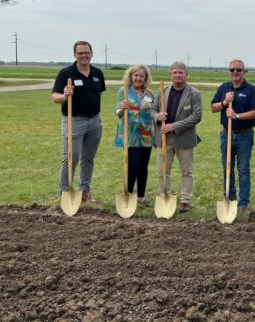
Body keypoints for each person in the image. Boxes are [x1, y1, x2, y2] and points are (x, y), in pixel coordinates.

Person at [52, 41, 106, 203]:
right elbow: (55, 97)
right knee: (71, 156)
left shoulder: (97, 73)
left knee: (88, 158)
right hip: (73, 120)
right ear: (75, 54)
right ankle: (65, 191)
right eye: (80, 53)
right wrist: (65, 95)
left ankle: (84, 191)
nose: (84, 56)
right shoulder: (66, 73)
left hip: (95, 121)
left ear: (92, 53)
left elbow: (98, 94)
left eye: (86, 53)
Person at [211, 59, 255, 216]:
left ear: (244, 72)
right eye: (232, 69)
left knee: (243, 169)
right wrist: (225, 102)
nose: (235, 72)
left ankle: (243, 204)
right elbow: (213, 107)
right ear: (229, 71)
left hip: (244, 135)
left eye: (239, 70)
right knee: (227, 167)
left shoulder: (251, 90)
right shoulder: (224, 88)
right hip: (226, 134)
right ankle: (229, 198)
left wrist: (237, 115)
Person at [151, 61, 203, 213]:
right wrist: (157, 117)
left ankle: (185, 200)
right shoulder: (162, 90)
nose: (178, 75)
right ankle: (164, 196)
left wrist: (175, 126)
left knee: (186, 171)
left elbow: (197, 116)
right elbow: (153, 110)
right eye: (175, 72)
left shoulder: (194, 93)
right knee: (163, 170)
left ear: (187, 74)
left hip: (184, 138)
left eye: (181, 72)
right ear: (170, 74)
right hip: (164, 137)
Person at [114, 65, 155, 207]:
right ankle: (129, 195)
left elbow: (152, 112)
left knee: (143, 167)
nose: (138, 78)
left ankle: (141, 197)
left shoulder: (149, 94)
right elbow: (117, 111)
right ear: (131, 76)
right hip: (130, 133)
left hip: (146, 134)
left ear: (145, 78)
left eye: (141, 76)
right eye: (135, 75)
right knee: (132, 165)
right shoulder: (124, 91)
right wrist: (122, 109)